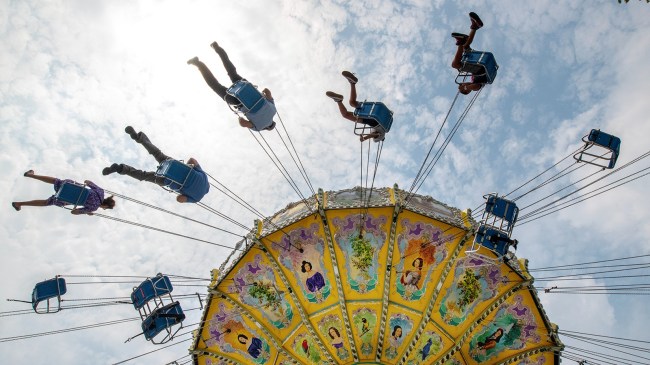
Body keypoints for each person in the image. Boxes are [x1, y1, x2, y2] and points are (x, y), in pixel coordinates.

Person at [102, 126, 209, 203]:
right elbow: (180, 199)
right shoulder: (196, 199)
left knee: (157, 153)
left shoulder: (204, 177)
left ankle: (138, 137)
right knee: (144, 176)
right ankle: (120, 169)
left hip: (174, 165)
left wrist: (185, 169)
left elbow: (192, 160)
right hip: (168, 180)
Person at [187, 41, 276, 131]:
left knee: (232, 71)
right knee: (215, 85)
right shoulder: (258, 127)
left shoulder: (273, 110)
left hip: (249, 90)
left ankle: (216, 47)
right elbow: (243, 123)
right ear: (267, 128)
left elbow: (267, 91)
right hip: (239, 102)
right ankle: (197, 63)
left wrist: (263, 94)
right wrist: (240, 119)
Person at [11, 170, 115, 214]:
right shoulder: (93, 208)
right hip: (62, 199)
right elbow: (74, 212)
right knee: (46, 202)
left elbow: (87, 182)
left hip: (68, 187)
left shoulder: (100, 192)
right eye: (106, 209)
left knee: (56, 181)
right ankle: (19, 203)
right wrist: (87, 212)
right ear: (105, 206)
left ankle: (31, 175)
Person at [326, 71, 387, 142]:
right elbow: (375, 135)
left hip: (370, 112)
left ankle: (351, 84)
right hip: (371, 121)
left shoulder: (383, 127)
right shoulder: (381, 135)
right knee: (346, 115)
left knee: (352, 103)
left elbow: (374, 134)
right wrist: (364, 138)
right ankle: (340, 100)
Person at [450, 12, 485, 95]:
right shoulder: (476, 86)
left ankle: (475, 27)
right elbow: (476, 87)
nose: (463, 84)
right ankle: (461, 42)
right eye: (463, 86)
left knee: (465, 47)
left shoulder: (472, 78)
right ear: (468, 91)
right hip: (480, 70)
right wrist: (466, 87)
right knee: (455, 65)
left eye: (462, 85)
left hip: (477, 66)